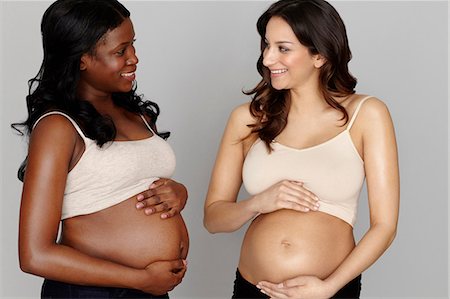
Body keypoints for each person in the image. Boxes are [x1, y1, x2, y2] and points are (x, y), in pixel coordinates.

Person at [203, 0, 399, 298]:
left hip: (327, 292)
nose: (268, 59)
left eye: (283, 48)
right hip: (253, 289)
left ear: (319, 55)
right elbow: (213, 219)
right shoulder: (247, 118)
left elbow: (384, 226)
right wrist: (257, 203)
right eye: (266, 46)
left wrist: (328, 288)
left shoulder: (367, 114)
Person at [14, 0, 189, 298]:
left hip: (148, 289)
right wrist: (138, 279)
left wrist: (179, 193)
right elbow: (35, 254)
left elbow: (128, 187)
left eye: (132, 45)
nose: (134, 58)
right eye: (120, 51)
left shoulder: (139, 117)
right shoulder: (59, 127)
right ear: (81, 58)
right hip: (93, 291)